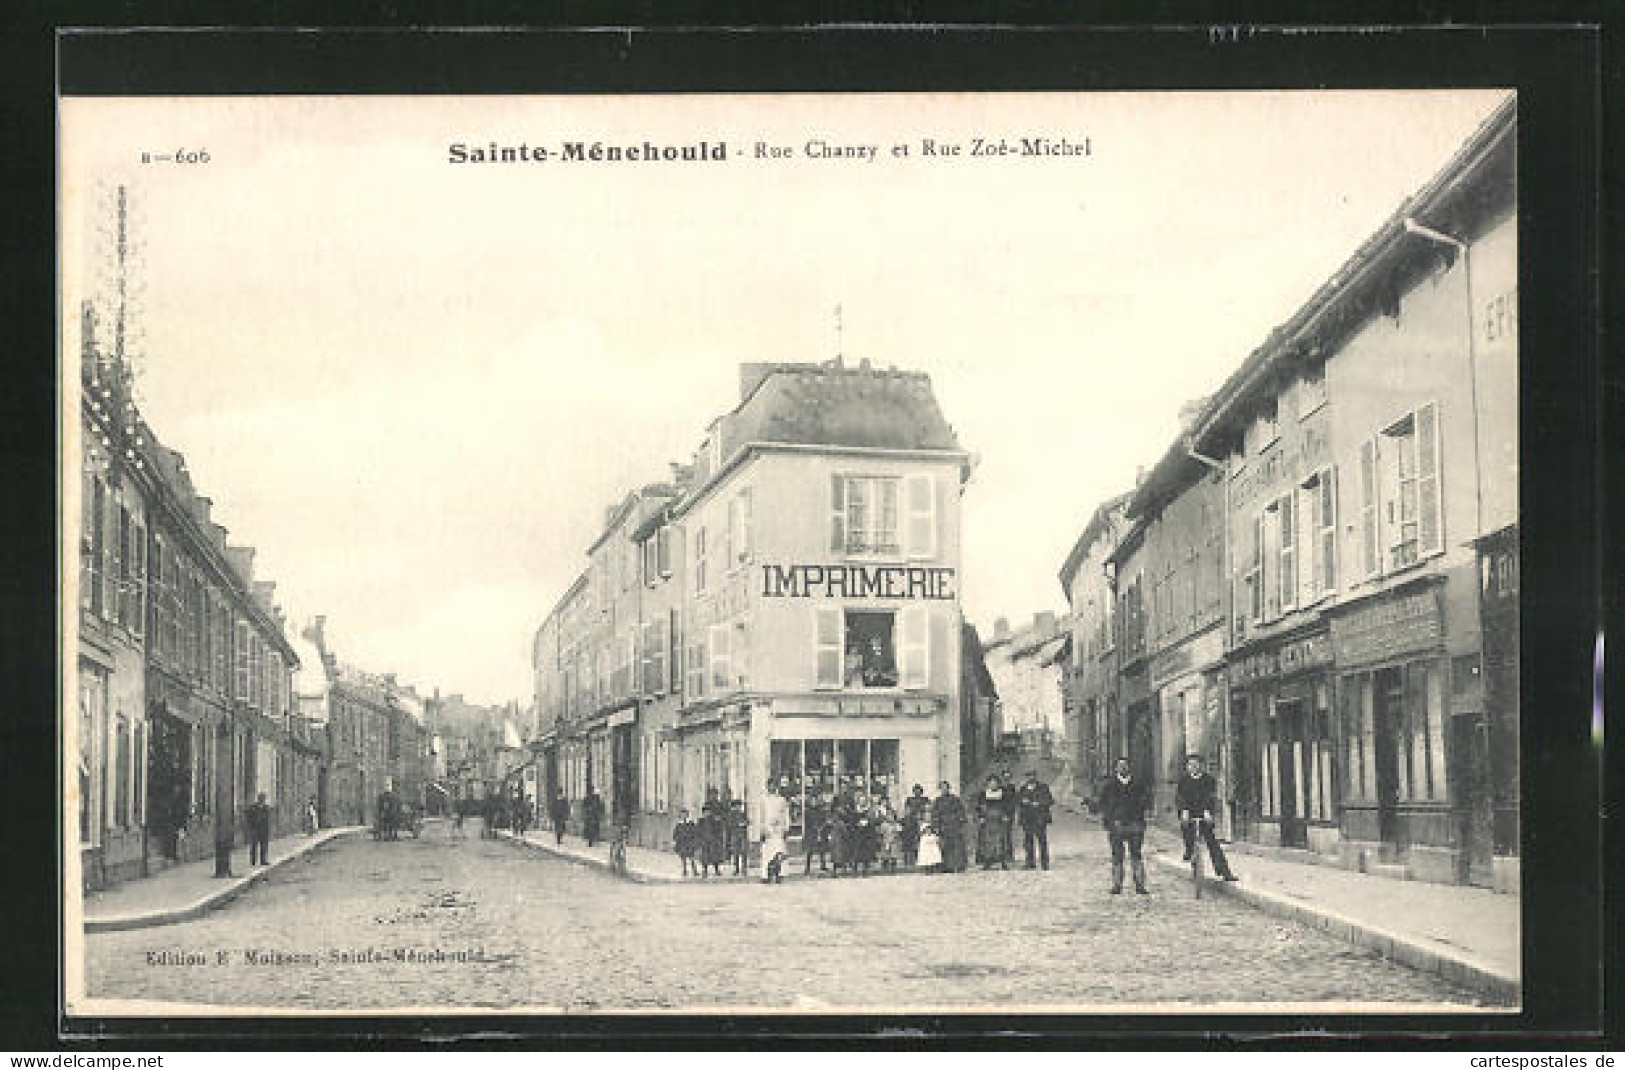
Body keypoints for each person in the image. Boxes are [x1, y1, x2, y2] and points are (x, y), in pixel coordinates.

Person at [1176, 754, 1239, 882]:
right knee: (1186, 829)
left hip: (1205, 813)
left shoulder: (1209, 780)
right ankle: (1188, 850)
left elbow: (1210, 797)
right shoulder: (1183, 781)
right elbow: (1180, 798)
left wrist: (1207, 811)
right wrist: (1184, 810)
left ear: (1201, 766)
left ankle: (1224, 872)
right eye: (1190, 765)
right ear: (1187, 767)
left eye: (1196, 764)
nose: (1193, 767)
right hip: (1189, 813)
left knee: (1212, 843)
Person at [1098, 757, 1151, 894]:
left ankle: (1139, 884)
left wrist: (1141, 812)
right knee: (1117, 855)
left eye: (1125, 765)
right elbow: (1103, 804)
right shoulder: (1109, 785)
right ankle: (1117, 884)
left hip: (1135, 824)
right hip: (1117, 825)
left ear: (1129, 768)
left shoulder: (1138, 784)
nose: (1122, 768)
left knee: (1136, 854)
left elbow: (1146, 801)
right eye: (1120, 766)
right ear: (1115, 768)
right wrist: (1109, 819)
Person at [1017, 770, 1055, 870]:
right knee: (1028, 841)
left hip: (1039, 817)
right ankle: (1030, 862)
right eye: (1028, 776)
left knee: (1042, 840)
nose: (1030, 778)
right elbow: (1018, 801)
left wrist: (1039, 803)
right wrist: (1022, 801)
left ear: (1035, 776)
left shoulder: (1043, 787)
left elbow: (1050, 800)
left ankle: (1044, 863)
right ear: (1026, 777)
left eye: (1032, 775)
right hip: (1027, 818)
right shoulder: (1023, 789)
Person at [974, 775, 1012, 869]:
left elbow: (1007, 806)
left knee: (1001, 840)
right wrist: (981, 817)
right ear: (988, 784)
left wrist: (1006, 815)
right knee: (987, 841)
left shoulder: (1003, 794)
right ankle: (987, 862)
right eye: (991, 782)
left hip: (999, 820)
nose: (993, 784)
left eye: (995, 782)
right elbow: (979, 807)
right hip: (988, 820)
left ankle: (1003, 862)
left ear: (998, 784)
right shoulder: (983, 794)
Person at [931, 781, 969, 873]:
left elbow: (961, 811)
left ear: (949, 788)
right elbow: (935, 814)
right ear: (940, 789)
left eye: (946, 787)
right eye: (942, 788)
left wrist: (961, 820)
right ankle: (946, 867)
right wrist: (936, 826)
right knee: (945, 846)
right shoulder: (937, 801)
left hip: (955, 825)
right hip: (943, 825)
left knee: (957, 846)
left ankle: (959, 865)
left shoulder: (955, 799)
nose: (944, 790)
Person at [760, 778, 791, 884]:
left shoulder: (781, 800)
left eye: (774, 785)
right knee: (767, 853)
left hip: (779, 829)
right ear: (767, 786)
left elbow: (786, 814)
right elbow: (761, 815)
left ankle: (779, 874)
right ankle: (766, 875)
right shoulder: (763, 800)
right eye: (770, 785)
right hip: (768, 829)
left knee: (780, 852)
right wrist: (762, 829)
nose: (772, 787)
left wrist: (786, 827)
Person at [697, 791, 728, 878]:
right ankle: (705, 870)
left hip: (714, 839)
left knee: (715, 855)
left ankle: (717, 869)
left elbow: (720, 824)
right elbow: (698, 830)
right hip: (705, 840)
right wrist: (699, 839)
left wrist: (719, 836)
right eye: (712, 795)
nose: (713, 796)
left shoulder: (715, 819)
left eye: (715, 795)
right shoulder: (701, 820)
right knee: (705, 856)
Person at [802, 792, 832, 875]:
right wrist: (814, 828)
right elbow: (807, 823)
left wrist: (822, 827)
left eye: (816, 800)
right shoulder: (807, 811)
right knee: (810, 851)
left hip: (821, 831)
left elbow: (825, 820)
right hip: (811, 833)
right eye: (812, 800)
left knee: (822, 849)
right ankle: (807, 867)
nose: (814, 802)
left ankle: (823, 865)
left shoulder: (822, 811)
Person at [901, 784, 930, 867]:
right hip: (911, 823)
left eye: (919, 790)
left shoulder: (925, 799)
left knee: (921, 841)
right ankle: (909, 861)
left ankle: (921, 860)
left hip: (922, 822)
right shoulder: (910, 799)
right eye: (915, 790)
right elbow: (907, 809)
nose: (917, 792)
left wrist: (922, 816)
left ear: (921, 791)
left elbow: (927, 808)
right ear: (913, 791)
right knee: (911, 842)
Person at [875, 797, 903, 874]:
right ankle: (885, 867)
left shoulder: (895, 824)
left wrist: (897, 831)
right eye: (883, 801)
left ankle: (893, 868)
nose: (890, 817)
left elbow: (900, 830)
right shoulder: (884, 823)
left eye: (892, 817)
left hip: (894, 841)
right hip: (885, 840)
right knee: (885, 854)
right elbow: (880, 831)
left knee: (894, 854)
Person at [246, 792, 272, 866]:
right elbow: (249, 817)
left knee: (264, 845)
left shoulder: (266, 808)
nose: (262, 800)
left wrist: (268, 828)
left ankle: (263, 860)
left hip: (264, 829)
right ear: (258, 799)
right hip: (255, 829)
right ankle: (253, 861)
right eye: (261, 798)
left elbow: (268, 819)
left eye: (263, 799)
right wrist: (251, 826)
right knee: (254, 845)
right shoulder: (253, 807)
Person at [673, 809, 699, 877]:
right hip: (682, 843)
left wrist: (694, 841)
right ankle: (684, 870)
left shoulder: (691, 823)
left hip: (689, 842)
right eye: (682, 814)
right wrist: (675, 841)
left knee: (692, 857)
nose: (683, 816)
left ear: (687, 815)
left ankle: (694, 870)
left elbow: (695, 832)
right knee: (683, 857)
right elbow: (675, 834)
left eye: (685, 814)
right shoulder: (679, 824)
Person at [727, 798, 750, 876]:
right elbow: (729, 825)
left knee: (744, 852)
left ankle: (744, 868)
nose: (738, 807)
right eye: (737, 806)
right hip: (735, 835)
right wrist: (738, 824)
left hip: (743, 835)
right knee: (736, 853)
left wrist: (745, 823)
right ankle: (736, 869)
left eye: (739, 806)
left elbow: (748, 822)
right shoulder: (731, 815)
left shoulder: (743, 814)